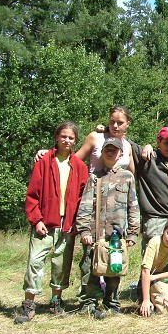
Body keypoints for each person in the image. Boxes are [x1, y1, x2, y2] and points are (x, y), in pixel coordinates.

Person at [36, 106, 135, 297]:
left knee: (113, 255)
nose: (115, 125)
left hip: (117, 211)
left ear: (127, 124)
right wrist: (48, 153)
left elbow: (133, 175)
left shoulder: (128, 146)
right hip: (93, 203)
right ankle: (89, 297)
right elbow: (71, 160)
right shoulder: (96, 138)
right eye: (112, 120)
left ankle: (109, 297)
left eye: (120, 122)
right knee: (91, 254)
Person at [15, 122, 89, 324]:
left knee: (61, 264)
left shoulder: (79, 166)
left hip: (67, 224)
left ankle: (56, 302)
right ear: (56, 137)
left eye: (71, 138)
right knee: (35, 262)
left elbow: (84, 198)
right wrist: (36, 220)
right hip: (45, 223)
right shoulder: (44, 161)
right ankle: (29, 304)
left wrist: (77, 222)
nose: (67, 140)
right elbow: (32, 195)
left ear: (76, 141)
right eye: (63, 136)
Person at [75, 137, 140, 318]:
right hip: (95, 234)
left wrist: (133, 233)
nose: (110, 152)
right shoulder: (95, 178)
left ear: (121, 153)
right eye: (107, 149)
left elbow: (133, 206)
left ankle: (111, 303)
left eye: (114, 150)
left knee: (114, 269)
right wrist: (84, 231)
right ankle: (89, 303)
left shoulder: (127, 177)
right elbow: (85, 206)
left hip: (115, 235)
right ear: (102, 153)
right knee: (89, 268)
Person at [131, 126, 168, 252]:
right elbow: (122, 140)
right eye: (166, 143)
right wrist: (105, 129)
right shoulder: (148, 157)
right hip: (154, 218)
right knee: (151, 259)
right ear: (158, 142)